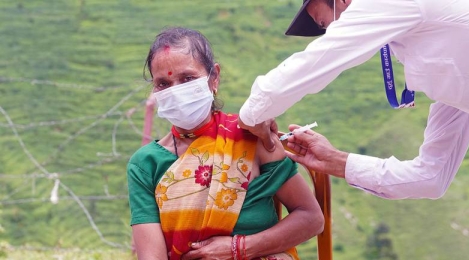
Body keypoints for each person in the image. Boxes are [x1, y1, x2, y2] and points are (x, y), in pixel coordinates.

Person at [237, 0, 469, 259]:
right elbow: (432, 177)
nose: (332, 31)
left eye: (327, 20)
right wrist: (336, 162)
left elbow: (320, 60)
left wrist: (252, 114)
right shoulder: (449, 60)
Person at [127, 27, 324, 260]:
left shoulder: (253, 139)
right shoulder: (145, 164)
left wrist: (239, 248)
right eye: (163, 84)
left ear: (214, 77)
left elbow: (311, 218)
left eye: (187, 79)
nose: (176, 91)